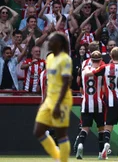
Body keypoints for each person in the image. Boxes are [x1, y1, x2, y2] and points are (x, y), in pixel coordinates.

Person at [86, 47, 118, 160]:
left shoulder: (105, 68)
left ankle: (106, 144)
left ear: (111, 56)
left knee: (108, 127)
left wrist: (85, 70)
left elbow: (90, 74)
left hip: (111, 101)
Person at [33, 32, 73, 162]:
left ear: (59, 44)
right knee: (38, 131)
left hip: (61, 101)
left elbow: (66, 83)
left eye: (51, 41)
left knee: (61, 134)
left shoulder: (65, 59)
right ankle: (57, 157)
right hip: (49, 99)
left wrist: (57, 104)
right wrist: (44, 101)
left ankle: (63, 160)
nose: (48, 43)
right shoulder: (49, 58)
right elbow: (49, 82)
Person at [75, 51, 105, 160]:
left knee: (85, 128)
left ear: (91, 60)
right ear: (100, 60)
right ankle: (101, 153)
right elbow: (103, 89)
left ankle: (80, 144)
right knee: (101, 129)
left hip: (86, 103)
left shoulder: (84, 70)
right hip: (98, 104)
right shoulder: (102, 71)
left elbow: (81, 83)